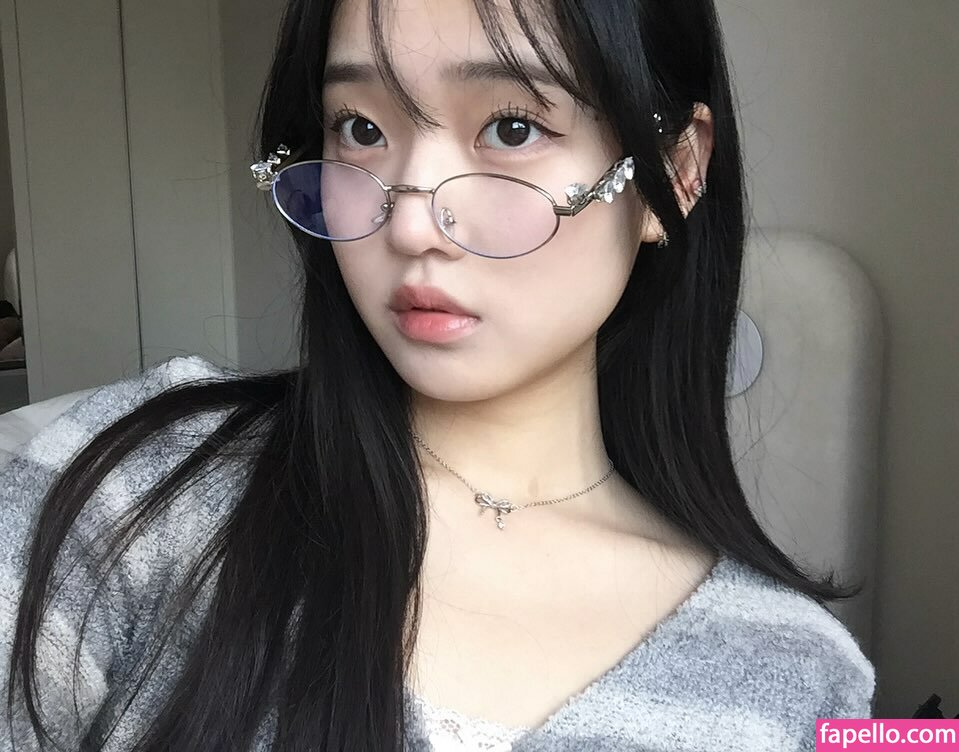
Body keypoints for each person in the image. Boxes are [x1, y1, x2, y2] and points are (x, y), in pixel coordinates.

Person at [1, 0, 875, 750]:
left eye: (511, 128)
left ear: (673, 174)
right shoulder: (134, 488)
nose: (410, 222)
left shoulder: (799, 677)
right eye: (361, 129)